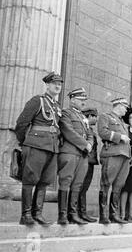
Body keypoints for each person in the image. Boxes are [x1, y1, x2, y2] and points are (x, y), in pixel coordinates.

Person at [15, 72, 63, 226]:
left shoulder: (56, 107)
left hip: (52, 148)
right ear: (47, 85)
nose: (57, 86)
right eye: (54, 83)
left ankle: (38, 214)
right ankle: (26, 215)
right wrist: (25, 142)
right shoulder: (37, 101)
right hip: (35, 146)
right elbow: (21, 124)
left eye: (60, 84)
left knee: (44, 181)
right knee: (30, 180)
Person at [57, 88, 94, 225]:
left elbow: (90, 133)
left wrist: (89, 144)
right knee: (65, 182)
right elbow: (68, 131)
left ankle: (72, 214)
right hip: (70, 152)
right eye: (80, 100)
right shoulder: (66, 113)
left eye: (84, 100)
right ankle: (62, 215)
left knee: (77, 184)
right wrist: (85, 144)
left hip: (83, 155)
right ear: (72, 100)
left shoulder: (83, 117)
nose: (83, 103)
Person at [97, 98, 131, 224]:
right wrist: (119, 136)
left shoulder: (122, 122)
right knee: (106, 184)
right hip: (112, 154)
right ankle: (103, 215)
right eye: (125, 107)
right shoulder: (106, 116)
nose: (126, 110)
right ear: (119, 105)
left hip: (124, 156)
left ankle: (113, 214)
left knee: (118, 186)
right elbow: (102, 132)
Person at [78, 106, 99, 223]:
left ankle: (82, 213)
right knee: (81, 187)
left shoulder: (90, 129)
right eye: (95, 117)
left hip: (90, 162)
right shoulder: (85, 128)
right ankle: (79, 213)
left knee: (84, 188)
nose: (96, 119)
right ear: (90, 116)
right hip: (84, 161)